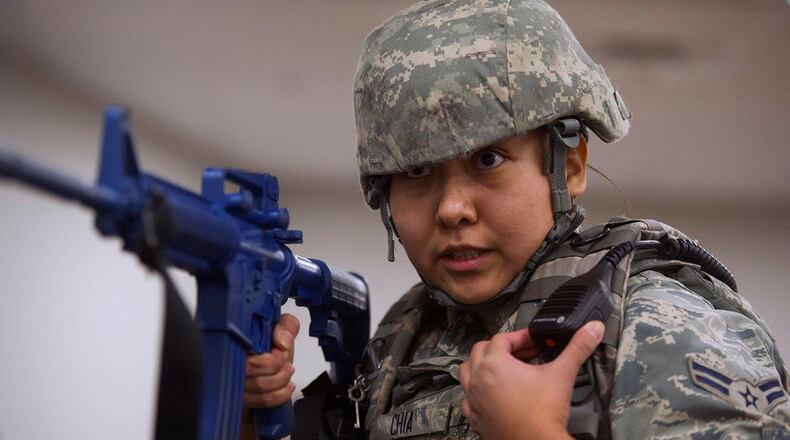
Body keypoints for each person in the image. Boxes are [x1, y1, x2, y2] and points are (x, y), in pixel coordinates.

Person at [241, 0, 790, 438]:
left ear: (569, 166)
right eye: (415, 172)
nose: (453, 209)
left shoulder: (656, 324)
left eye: (489, 160)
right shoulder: (403, 339)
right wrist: (250, 416)